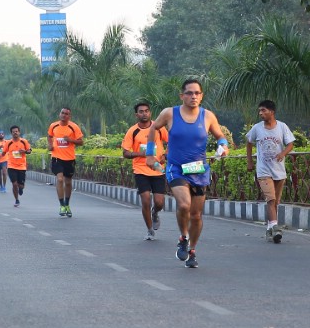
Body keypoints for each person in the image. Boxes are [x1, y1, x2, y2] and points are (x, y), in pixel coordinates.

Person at [146, 79, 230, 268]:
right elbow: (153, 128)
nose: (193, 96)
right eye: (189, 93)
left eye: (197, 93)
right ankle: (183, 237)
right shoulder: (170, 113)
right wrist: (150, 154)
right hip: (176, 168)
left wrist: (223, 147)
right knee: (184, 205)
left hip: (198, 170)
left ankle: (192, 250)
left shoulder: (207, 116)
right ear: (182, 95)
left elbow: (220, 136)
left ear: (201, 96)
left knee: (197, 215)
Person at [245, 99, 296, 244]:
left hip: (279, 170)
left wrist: (283, 153)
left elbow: (290, 143)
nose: (261, 113)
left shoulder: (282, 127)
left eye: (264, 110)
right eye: (260, 111)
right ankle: (275, 228)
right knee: (270, 199)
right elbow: (248, 142)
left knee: (275, 202)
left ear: (272, 112)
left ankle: (269, 228)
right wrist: (249, 161)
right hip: (263, 170)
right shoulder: (257, 128)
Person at [122, 100, 168, 240]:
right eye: (141, 111)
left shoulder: (159, 127)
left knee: (159, 202)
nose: (144, 113)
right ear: (136, 115)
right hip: (140, 169)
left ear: (150, 112)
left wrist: (165, 155)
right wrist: (140, 154)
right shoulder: (133, 131)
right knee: (146, 199)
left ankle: (155, 213)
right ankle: (149, 230)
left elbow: (171, 141)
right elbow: (125, 153)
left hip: (157, 169)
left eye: (146, 111)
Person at [48, 107, 85, 217]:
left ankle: (67, 204)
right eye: (62, 113)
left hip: (69, 159)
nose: (64, 115)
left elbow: (81, 142)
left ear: (69, 116)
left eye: (66, 114)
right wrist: (50, 145)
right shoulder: (53, 125)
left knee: (68, 182)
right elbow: (49, 136)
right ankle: (62, 205)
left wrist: (70, 140)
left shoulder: (73, 127)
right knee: (59, 179)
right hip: (56, 157)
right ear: (60, 114)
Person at [4, 126, 33, 207]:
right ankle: (16, 200)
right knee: (14, 184)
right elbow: (4, 151)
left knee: (21, 185)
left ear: (19, 132)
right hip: (11, 166)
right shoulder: (8, 143)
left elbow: (29, 151)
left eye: (16, 131)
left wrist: (25, 151)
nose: (15, 133)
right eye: (13, 132)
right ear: (11, 133)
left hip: (21, 166)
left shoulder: (24, 141)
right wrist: (0, 156)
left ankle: (21, 188)